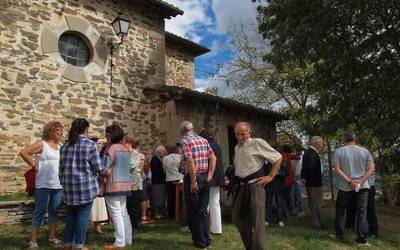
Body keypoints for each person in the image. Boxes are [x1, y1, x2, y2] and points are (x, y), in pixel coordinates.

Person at [232, 122, 282, 250]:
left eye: (242, 134)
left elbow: (277, 157)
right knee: (238, 220)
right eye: (237, 134)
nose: (240, 137)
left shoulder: (257, 143)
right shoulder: (237, 147)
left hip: (255, 186)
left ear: (249, 132)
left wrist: (270, 176)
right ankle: (250, 247)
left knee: (258, 223)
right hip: (241, 187)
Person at [59, 118, 107, 250]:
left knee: (71, 216)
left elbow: (61, 168)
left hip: (68, 186)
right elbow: (98, 167)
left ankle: (67, 244)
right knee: (82, 217)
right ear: (86, 129)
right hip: (85, 187)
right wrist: (107, 172)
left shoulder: (65, 146)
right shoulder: (90, 144)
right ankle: (79, 245)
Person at [19, 121, 64, 249]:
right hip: (43, 184)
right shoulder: (42, 144)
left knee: (54, 212)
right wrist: (34, 165)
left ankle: (52, 237)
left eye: (61, 130)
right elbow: (24, 152)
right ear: (50, 131)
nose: (60, 133)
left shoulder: (60, 146)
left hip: (58, 185)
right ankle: (33, 241)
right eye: (57, 130)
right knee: (39, 211)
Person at [331, 133, 375, 246]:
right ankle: (362, 240)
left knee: (341, 210)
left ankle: (339, 235)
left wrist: (350, 182)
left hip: (345, 186)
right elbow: (371, 169)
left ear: (344, 140)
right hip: (363, 186)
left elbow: (337, 169)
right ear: (355, 139)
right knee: (362, 212)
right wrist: (360, 181)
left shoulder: (339, 151)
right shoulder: (365, 151)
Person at [180, 121, 216, 249]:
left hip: (193, 177)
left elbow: (189, 159)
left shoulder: (185, 141)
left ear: (183, 130)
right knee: (203, 211)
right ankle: (206, 239)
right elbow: (213, 158)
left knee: (194, 211)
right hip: (205, 177)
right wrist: (210, 175)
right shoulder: (203, 140)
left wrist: (193, 180)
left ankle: (200, 242)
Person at [103, 123, 133, 249]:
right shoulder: (126, 148)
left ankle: (120, 241)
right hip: (125, 184)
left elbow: (104, 168)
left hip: (113, 184)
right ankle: (127, 238)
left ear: (110, 135)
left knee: (116, 213)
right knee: (123, 212)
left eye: (107, 135)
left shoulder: (112, 149)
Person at [199, 129, 225, 235]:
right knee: (215, 204)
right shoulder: (217, 146)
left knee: (206, 204)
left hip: (208, 177)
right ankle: (217, 229)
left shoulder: (205, 145)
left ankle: (206, 227)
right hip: (217, 178)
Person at [301, 136, 324, 230]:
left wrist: (304, 177)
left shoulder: (309, 152)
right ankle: (317, 223)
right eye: (321, 142)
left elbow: (304, 167)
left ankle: (317, 221)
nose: (322, 145)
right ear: (315, 143)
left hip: (312, 182)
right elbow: (310, 167)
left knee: (314, 203)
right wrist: (306, 178)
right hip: (314, 183)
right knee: (316, 203)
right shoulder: (312, 153)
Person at [125, 135, 146, 229]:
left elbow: (130, 166)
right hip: (126, 183)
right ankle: (129, 224)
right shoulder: (125, 153)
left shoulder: (135, 154)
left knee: (133, 204)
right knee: (128, 204)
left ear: (128, 143)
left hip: (134, 184)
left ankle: (134, 225)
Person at [89, 137, 108, 234]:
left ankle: (97, 225)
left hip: (100, 183)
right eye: (99, 143)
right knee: (93, 204)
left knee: (99, 203)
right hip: (93, 182)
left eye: (102, 143)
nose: (101, 145)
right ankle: (93, 224)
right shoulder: (91, 154)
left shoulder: (102, 155)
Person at [163, 144, 184, 219]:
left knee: (170, 197)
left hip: (169, 178)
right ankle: (179, 213)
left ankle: (171, 214)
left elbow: (164, 169)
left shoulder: (165, 158)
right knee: (179, 197)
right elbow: (182, 168)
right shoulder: (179, 157)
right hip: (179, 178)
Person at [150, 145, 167, 219]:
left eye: (164, 151)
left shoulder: (161, 159)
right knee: (157, 197)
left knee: (161, 198)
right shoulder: (155, 159)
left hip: (162, 181)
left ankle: (161, 212)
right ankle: (156, 213)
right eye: (162, 151)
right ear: (158, 152)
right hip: (157, 181)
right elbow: (156, 170)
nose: (164, 152)